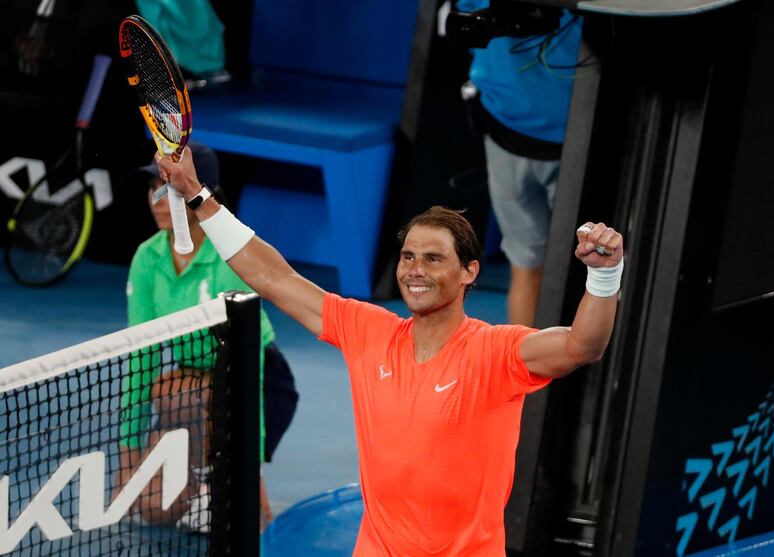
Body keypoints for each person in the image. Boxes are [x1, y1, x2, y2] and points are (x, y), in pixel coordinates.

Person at [156, 146, 624, 556]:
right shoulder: (369, 330)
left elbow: (582, 345)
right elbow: (276, 278)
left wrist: (604, 276)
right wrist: (199, 196)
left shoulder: (496, 352)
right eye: (407, 256)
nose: (415, 270)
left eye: (434, 258)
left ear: (470, 272)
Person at [118, 141, 298, 529]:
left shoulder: (231, 256)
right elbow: (141, 357)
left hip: (256, 380)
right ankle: (205, 481)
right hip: (193, 381)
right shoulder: (147, 258)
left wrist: (253, 472)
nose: (157, 200)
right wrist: (129, 450)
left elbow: (248, 371)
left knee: (175, 395)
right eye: (153, 189)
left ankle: (219, 478)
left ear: (200, 191)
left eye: (167, 188)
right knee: (152, 508)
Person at [458, 3, 583, 325]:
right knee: (592, 270)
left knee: (529, 266)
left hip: (517, 130)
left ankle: (526, 372)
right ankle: (528, 371)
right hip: (536, 136)